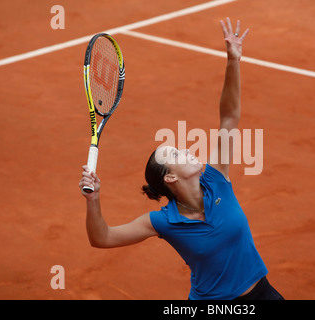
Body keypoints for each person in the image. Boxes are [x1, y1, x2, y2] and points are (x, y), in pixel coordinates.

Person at [79, 18, 284, 300]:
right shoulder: (163, 222)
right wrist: (93, 201)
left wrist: (232, 61)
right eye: (175, 154)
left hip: (263, 293)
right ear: (170, 177)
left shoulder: (217, 179)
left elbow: (229, 117)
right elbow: (101, 238)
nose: (186, 150)